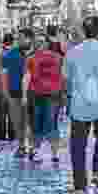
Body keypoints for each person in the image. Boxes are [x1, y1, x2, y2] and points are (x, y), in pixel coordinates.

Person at [63, 15, 98, 194]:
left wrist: (68, 99)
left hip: (79, 103)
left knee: (78, 145)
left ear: (83, 32)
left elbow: (66, 81)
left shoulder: (72, 52)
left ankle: (80, 184)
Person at [25, 33, 63, 163]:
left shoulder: (57, 57)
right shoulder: (31, 58)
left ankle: (54, 153)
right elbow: (27, 77)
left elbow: (62, 76)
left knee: (51, 123)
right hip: (37, 94)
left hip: (53, 95)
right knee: (37, 124)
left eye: (41, 41)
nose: (39, 44)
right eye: (37, 42)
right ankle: (36, 151)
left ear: (47, 43)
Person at [0, 28, 34, 158]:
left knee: (30, 122)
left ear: (29, 39)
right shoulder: (10, 54)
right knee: (17, 122)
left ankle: (31, 147)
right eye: (18, 38)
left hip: (33, 94)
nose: (18, 41)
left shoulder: (35, 53)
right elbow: (3, 73)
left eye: (21, 38)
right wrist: (5, 91)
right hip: (14, 94)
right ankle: (21, 146)